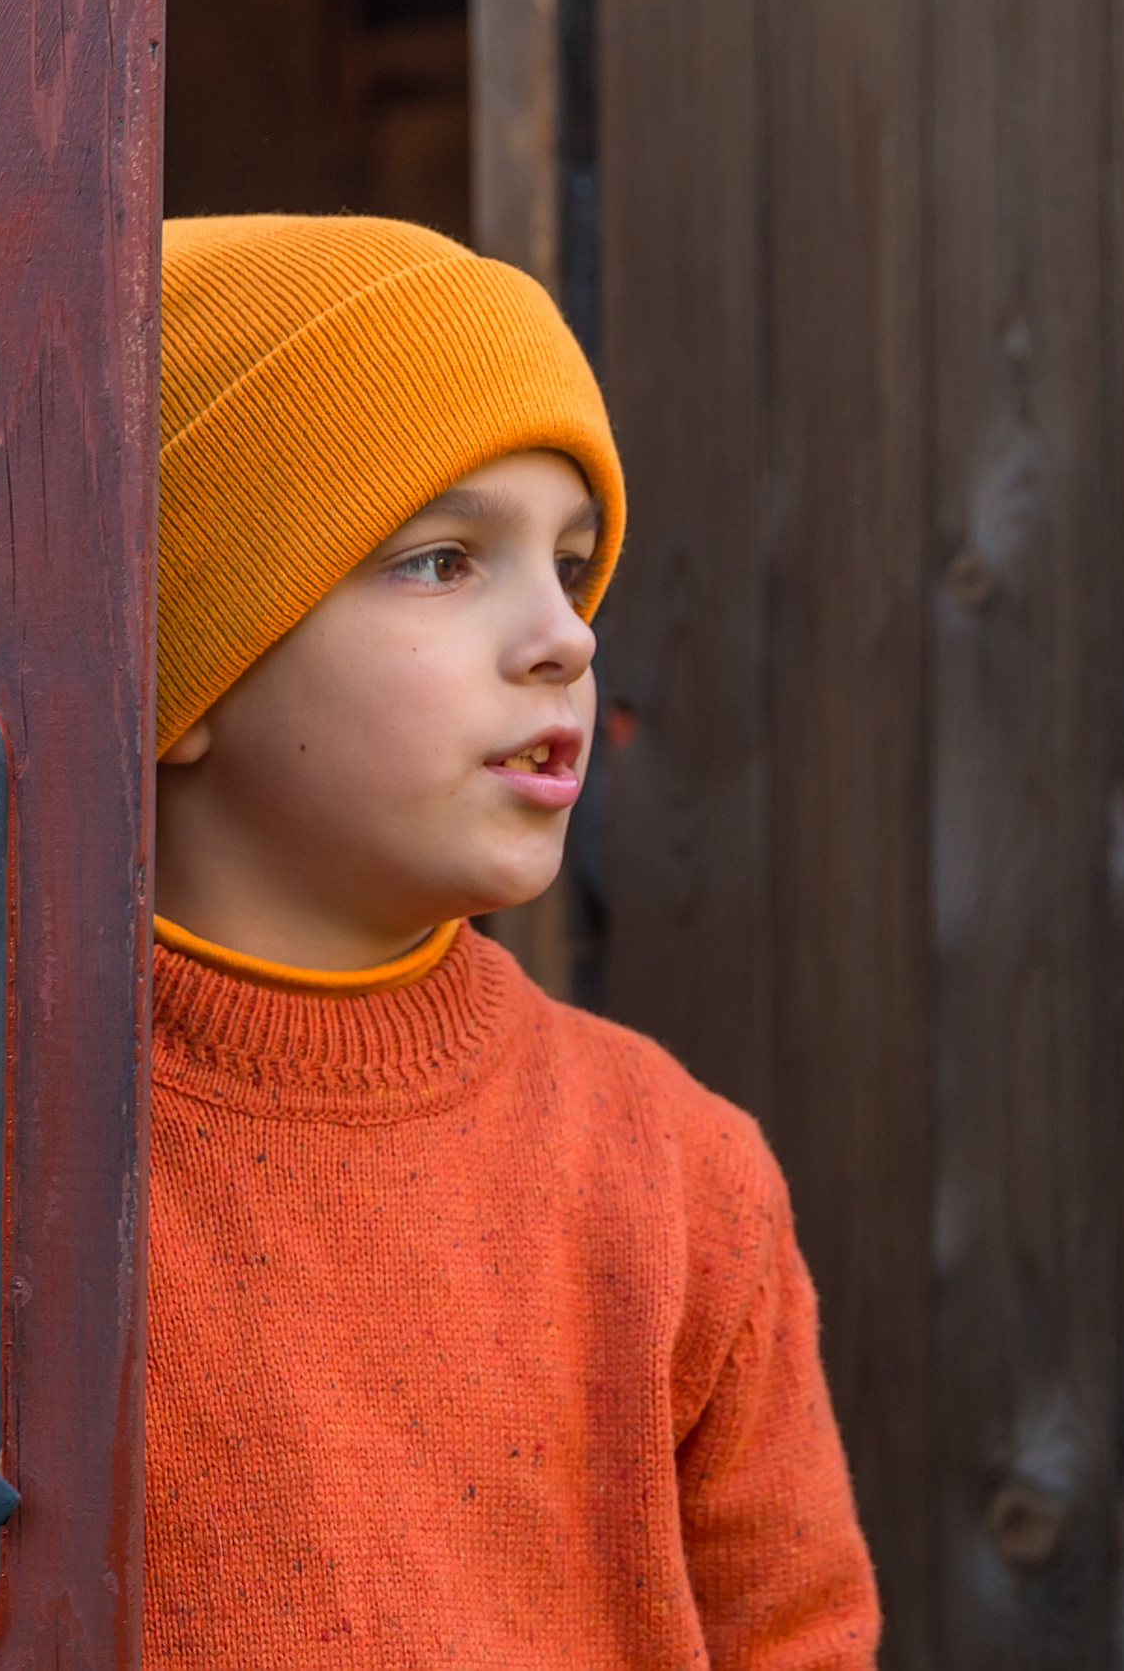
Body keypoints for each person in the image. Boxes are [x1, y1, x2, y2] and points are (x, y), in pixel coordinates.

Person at [147, 213, 879, 1667]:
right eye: (443, 560)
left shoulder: (681, 1174)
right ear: (192, 650)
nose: (567, 635)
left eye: (575, 561)